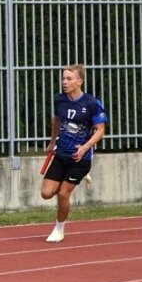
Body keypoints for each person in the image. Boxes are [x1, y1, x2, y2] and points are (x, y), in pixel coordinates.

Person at [41, 64, 107, 243]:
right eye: (63, 78)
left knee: (63, 193)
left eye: (69, 78)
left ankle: (59, 228)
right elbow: (56, 120)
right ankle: (76, 178)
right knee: (46, 194)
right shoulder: (59, 100)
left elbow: (100, 130)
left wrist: (85, 147)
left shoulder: (91, 103)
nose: (64, 82)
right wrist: (52, 141)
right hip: (61, 154)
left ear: (80, 81)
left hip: (80, 157)